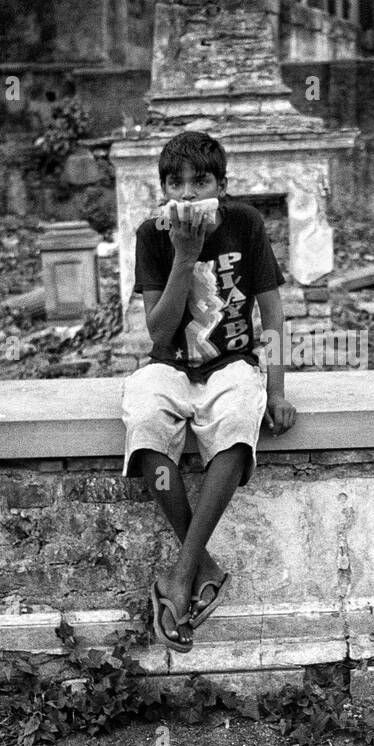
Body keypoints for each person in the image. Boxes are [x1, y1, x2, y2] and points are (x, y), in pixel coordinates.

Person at [121, 130, 297, 651]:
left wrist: (280, 390)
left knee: (240, 417)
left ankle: (179, 573)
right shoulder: (152, 234)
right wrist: (183, 256)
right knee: (146, 421)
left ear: (222, 186)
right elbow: (158, 331)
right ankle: (202, 566)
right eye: (176, 183)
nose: (189, 192)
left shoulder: (244, 223)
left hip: (232, 362)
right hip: (170, 363)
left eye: (201, 181)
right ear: (163, 191)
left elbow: (273, 311)